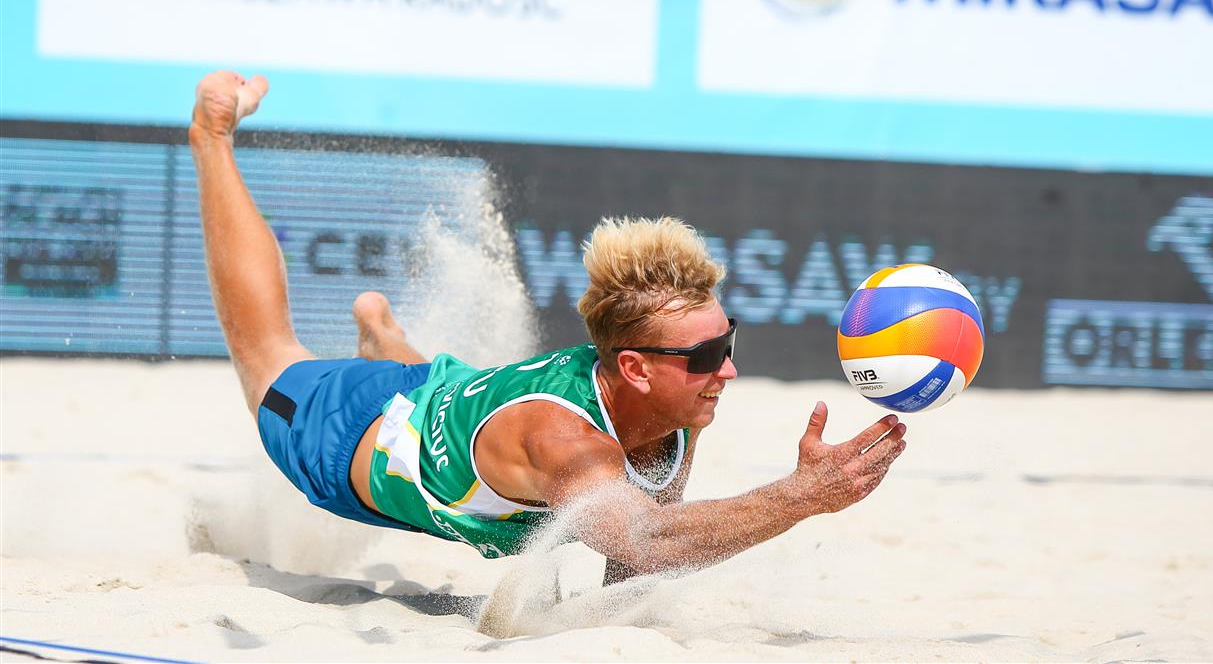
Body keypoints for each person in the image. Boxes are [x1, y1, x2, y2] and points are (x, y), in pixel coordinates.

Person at [190, 70, 907, 580]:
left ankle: (385, 338)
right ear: (634, 367)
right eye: (706, 354)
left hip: (450, 393)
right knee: (266, 353)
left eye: (728, 342)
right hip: (350, 434)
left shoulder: (677, 406)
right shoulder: (565, 440)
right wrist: (799, 495)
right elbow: (649, 540)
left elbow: (634, 568)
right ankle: (212, 136)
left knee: (439, 390)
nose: (727, 368)